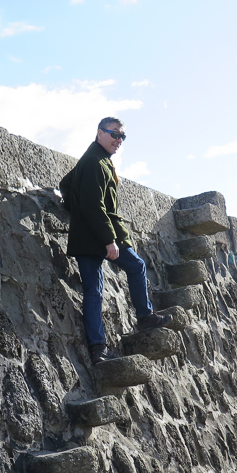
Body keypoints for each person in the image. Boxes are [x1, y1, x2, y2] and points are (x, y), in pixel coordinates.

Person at [63, 117, 171, 365]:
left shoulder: (96, 159)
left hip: (90, 235)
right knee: (134, 268)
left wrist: (74, 210)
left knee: (95, 292)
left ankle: (98, 348)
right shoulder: (94, 162)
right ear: (99, 133)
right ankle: (141, 318)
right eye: (114, 134)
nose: (118, 140)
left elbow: (65, 184)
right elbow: (94, 205)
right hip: (99, 236)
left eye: (122, 136)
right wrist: (108, 239)